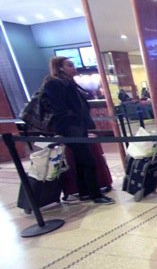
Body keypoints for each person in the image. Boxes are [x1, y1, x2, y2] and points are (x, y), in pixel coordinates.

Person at [44, 56, 114, 204]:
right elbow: (60, 109)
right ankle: (95, 195)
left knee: (82, 161)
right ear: (60, 67)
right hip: (70, 129)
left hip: (77, 128)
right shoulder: (54, 84)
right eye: (69, 65)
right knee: (89, 161)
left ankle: (84, 192)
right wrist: (69, 127)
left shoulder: (68, 83)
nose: (73, 68)